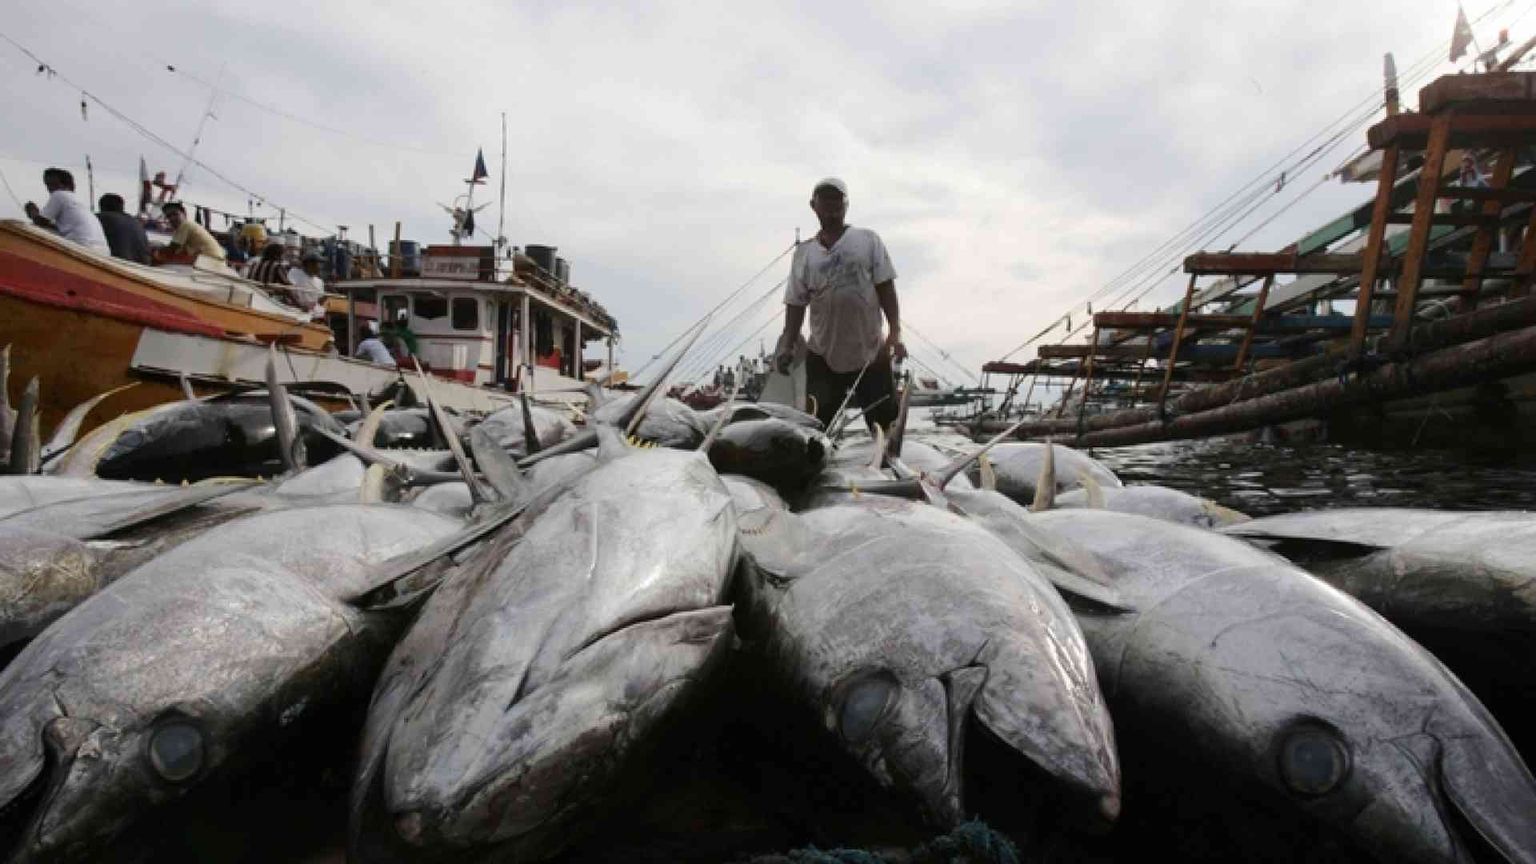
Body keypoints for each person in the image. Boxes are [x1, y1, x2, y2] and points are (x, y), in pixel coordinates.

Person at [774, 177, 904, 430]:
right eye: (825, 200)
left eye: (837, 200)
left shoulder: (868, 240)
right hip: (823, 354)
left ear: (846, 205)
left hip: (870, 351)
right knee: (816, 428)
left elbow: (886, 287)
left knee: (885, 428)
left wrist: (895, 332)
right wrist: (788, 344)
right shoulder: (804, 254)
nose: (832, 206)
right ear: (814, 205)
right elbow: (795, 302)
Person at [25, 168, 110, 254]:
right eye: (47, 185)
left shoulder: (59, 195)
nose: (49, 189)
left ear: (65, 185)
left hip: (82, 245)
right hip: (103, 250)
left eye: (52, 184)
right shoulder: (78, 201)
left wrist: (32, 212)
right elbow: (56, 228)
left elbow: (40, 222)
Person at [160, 201, 226, 261]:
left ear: (184, 214)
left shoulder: (185, 225)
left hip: (210, 260)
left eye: (175, 214)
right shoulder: (186, 227)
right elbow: (178, 250)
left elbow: (172, 249)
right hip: (213, 259)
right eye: (168, 216)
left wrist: (155, 251)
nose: (172, 218)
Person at [95, 193, 151, 264]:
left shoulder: (102, 218)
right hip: (142, 267)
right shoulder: (135, 221)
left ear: (101, 207)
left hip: (120, 266)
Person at [286, 251, 327, 317]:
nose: (320, 267)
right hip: (295, 312)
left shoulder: (320, 281)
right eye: (318, 263)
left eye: (320, 264)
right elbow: (288, 292)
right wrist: (300, 306)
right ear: (309, 264)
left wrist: (326, 296)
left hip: (311, 314)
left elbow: (318, 301)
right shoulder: (295, 273)